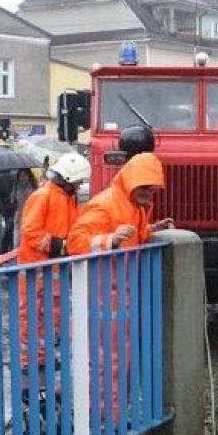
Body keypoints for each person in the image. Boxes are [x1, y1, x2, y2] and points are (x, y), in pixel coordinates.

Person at [67, 152, 174, 421]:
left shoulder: (133, 207)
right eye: (146, 187)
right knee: (107, 364)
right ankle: (103, 425)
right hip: (104, 297)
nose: (150, 193)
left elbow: (133, 236)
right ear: (132, 182)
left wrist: (151, 228)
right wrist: (108, 241)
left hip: (121, 297)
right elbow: (76, 242)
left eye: (153, 188)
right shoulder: (105, 204)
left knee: (121, 363)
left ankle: (112, 422)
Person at [18, 152, 92, 397]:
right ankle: (31, 364)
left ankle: (43, 359)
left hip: (54, 268)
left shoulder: (65, 197)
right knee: (32, 316)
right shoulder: (44, 196)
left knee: (52, 316)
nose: (79, 187)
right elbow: (31, 231)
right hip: (37, 269)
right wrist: (57, 245)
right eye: (78, 183)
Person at [13, 168, 39, 247]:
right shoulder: (16, 187)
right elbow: (14, 202)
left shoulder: (34, 188)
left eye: (24, 175)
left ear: (29, 175)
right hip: (19, 219)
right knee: (17, 244)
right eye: (20, 176)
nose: (22, 178)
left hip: (32, 220)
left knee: (29, 245)